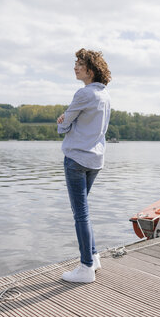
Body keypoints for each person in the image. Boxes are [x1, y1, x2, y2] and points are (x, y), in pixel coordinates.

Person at [57, 48, 111, 283]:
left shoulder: (84, 94)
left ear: (91, 70)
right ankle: (94, 256)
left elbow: (64, 125)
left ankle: (86, 267)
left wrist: (62, 122)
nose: (75, 67)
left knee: (80, 214)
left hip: (77, 159)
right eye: (75, 63)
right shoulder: (104, 95)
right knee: (84, 212)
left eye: (80, 64)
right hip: (95, 160)